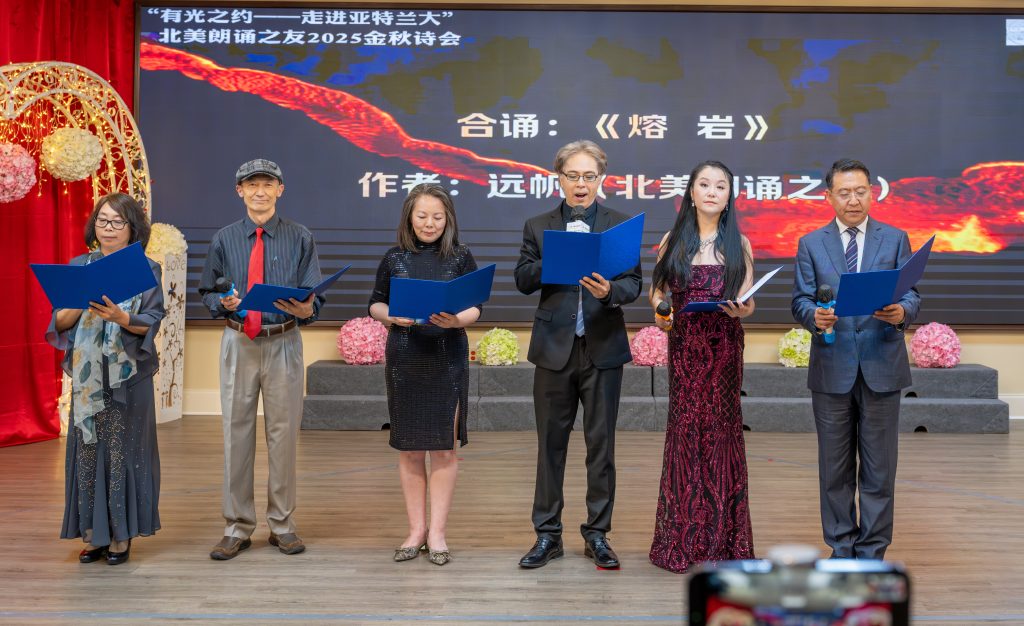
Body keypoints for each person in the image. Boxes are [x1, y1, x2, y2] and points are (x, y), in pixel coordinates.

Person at [514, 140, 642, 569]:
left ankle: (597, 534)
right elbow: (523, 279)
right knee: (550, 447)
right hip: (554, 350)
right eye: (573, 175)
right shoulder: (539, 226)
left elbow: (633, 283)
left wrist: (609, 291)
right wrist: (558, 256)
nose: (581, 184)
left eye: (589, 176)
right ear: (560, 178)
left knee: (601, 446)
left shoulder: (619, 225)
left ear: (601, 178)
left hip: (602, 348)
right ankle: (547, 535)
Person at [792, 158, 921, 559]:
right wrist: (813, 316)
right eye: (844, 192)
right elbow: (800, 300)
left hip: (882, 365)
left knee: (880, 470)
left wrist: (902, 312)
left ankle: (872, 553)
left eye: (861, 191)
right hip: (832, 367)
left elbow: (911, 294)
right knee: (835, 470)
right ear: (828, 196)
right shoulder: (811, 244)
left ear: (872, 193)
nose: (853, 200)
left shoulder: (895, 238)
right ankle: (841, 549)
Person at [199, 159, 323, 560]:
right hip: (239, 341)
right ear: (239, 191)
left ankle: (282, 525)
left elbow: (314, 295)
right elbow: (207, 291)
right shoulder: (224, 238)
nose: (260, 191)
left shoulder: (300, 237)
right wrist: (222, 302)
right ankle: (236, 527)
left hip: (283, 340)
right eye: (251, 184)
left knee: (283, 436)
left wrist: (308, 308)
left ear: (280, 190)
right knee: (236, 434)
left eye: (268, 184)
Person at [647, 160, 756, 573]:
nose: (712, 191)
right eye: (704, 184)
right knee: (686, 434)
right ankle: (681, 540)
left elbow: (748, 301)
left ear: (729, 196)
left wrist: (742, 308)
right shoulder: (672, 241)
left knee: (721, 435)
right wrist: (662, 314)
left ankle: (723, 542)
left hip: (724, 348)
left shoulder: (739, 244)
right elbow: (657, 295)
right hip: (685, 350)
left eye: (720, 186)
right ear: (691, 193)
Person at [47, 193, 165, 565]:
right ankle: (94, 534)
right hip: (89, 375)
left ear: (133, 228)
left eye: (117, 221)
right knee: (87, 452)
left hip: (128, 376)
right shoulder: (79, 265)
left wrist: (120, 318)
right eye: (102, 220)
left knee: (122, 453)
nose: (108, 228)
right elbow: (58, 321)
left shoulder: (146, 268)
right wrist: (80, 299)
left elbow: (152, 320)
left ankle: (120, 536)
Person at [368, 183, 481, 566]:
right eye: (422, 216)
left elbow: (475, 307)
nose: (429, 223)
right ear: (409, 218)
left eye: (437, 217)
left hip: (447, 357)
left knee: (445, 450)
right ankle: (415, 531)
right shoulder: (394, 257)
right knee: (410, 448)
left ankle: (437, 534)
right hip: (406, 357)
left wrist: (456, 320)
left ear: (448, 220)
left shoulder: (461, 256)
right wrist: (391, 316)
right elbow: (375, 304)